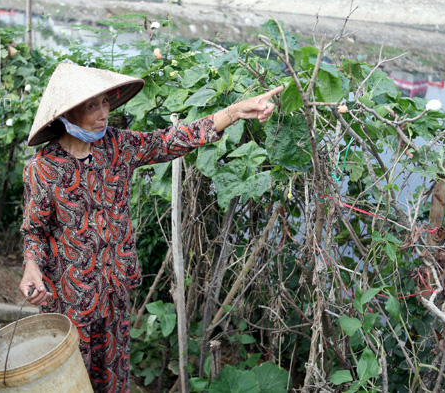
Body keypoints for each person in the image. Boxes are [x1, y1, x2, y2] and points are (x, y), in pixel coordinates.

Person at [18, 62, 282, 392]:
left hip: (114, 292)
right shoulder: (43, 169)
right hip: (69, 298)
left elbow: (171, 140)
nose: (104, 113)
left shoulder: (116, 146)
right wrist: (31, 267)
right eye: (92, 105)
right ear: (67, 114)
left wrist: (235, 111)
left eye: (104, 103)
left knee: (113, 377)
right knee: (69, 379)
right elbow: (36, 230)